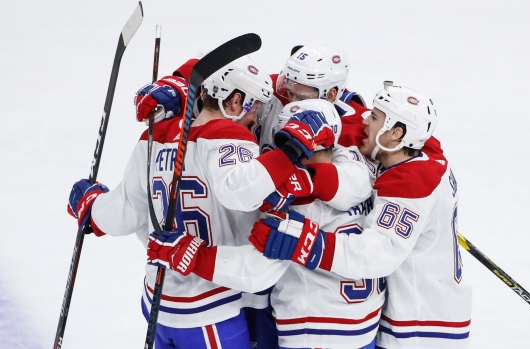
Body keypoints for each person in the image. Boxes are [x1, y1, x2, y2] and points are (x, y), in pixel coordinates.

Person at [66, 55, 335, 349]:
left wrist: (91, 209)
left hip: (160, 300)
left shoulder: (154, 137)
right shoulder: (229, 136)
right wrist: (291, 150)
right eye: (255, 106)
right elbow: (241, 190)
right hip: (209, 310)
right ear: (235, 101)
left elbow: (124, 213)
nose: (256, 118)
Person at [248, 83, 473, 348]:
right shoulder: (427, 157)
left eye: (375, 117)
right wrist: (339, 104)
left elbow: (376, 254)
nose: (365, 119)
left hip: (420, 325)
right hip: (432, 311)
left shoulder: (411, 182)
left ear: (396, 133)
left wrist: (304, 243)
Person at [146, 99, 382, 349]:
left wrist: (193, 257)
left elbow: (256, 271)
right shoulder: (359, 167)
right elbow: (352, 177)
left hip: (312, 327)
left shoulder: (290, 205)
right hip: (364, 326)